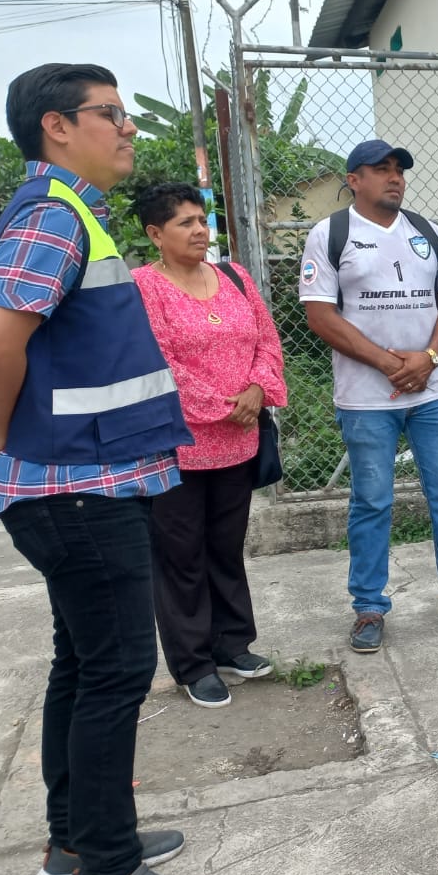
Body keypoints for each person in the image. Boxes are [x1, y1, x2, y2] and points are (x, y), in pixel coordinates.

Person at [0, 63, 212, 875]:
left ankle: (75, 843)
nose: (129, 128)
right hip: (79, 490)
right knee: (115, 673)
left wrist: (4, 425)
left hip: (81, 484)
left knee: (82, 663)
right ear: (57, 126)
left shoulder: (71, 214)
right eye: (112, 114)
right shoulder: (55, 217)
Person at [299, 139, 438, 651]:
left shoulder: (427, 232)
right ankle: (369, 607)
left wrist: (429, 359)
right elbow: (320, 315)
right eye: (381, 169)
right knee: (372, 501)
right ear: (354, 180)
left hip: (432, 393)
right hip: (366, 399)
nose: (395, 177)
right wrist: (388, 363)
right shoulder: (331, 234)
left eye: (399, 169)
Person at [132, 183, 288, 709]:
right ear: (156, 234)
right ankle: (193, 663)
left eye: (202, 220)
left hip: (238, 445)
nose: (200, 230)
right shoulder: (144, 288)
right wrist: (225, 405)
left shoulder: (235, 277)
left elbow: (267, 341)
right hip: (176, 449)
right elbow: (156, 362)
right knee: (181, 556)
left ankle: (232, 644)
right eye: (185, 222)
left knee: (226, 547)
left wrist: (257, 388)